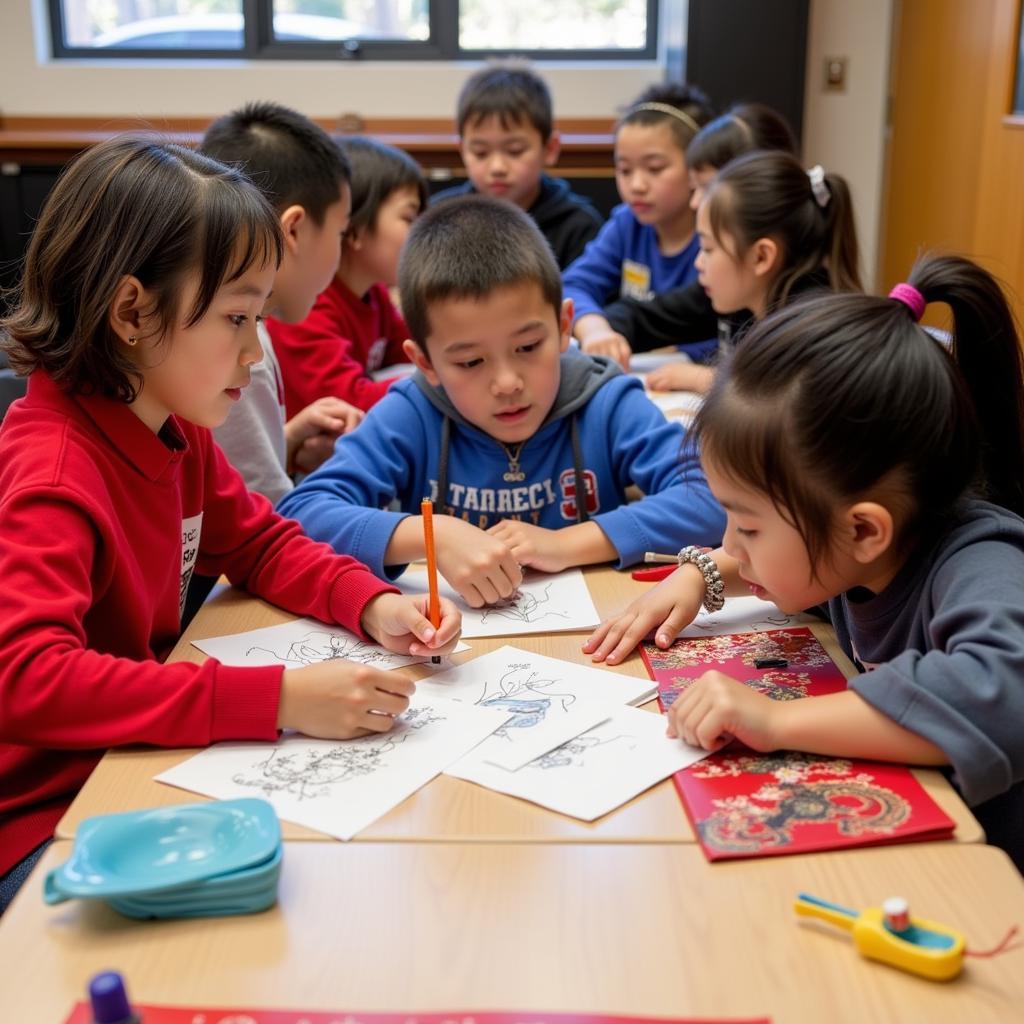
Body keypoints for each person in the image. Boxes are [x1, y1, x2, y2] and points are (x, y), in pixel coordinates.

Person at [0, 135, 461, 913]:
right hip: (51, 823)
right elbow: (26, 678)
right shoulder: (54, 472)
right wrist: (277, 699)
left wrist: (371, 601)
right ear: (132, 312)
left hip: (135, 767)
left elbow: (257, 540)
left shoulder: (172, 428)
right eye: (238, 318)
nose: (255, 353)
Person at [584, 254, 1024, 869]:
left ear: (864, 529)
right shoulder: (861, 550)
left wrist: (776, 721)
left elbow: (1001, 695)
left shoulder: (983, 564)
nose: (731, 544)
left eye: (750, 526)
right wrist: (703, 573)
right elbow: (799, 566)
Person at [278, 195, 725, 607]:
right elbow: (300, 515)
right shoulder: (412, 411)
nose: (507, 382)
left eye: (529, 347)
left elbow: (714, 497)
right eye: (471, 362)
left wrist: (568, 544)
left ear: (564, 325)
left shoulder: (605, 402)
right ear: (425, 362)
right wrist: (433, 537)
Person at [201, 102, 363, 504]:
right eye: (340, 234)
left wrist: (286, 441)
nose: (340, 252)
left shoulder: (227, 321)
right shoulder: (242, 349)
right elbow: (263, 520)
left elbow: (220, 477)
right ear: (294, 229)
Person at [614, 149, 860, 394]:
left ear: (761, 256)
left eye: (708, 248)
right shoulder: (738, 291)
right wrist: (599, 332)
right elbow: (645, 316)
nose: (698, 263)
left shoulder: (814, 329)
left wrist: (702, 378)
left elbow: (777, 400)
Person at [596, 102, 798, 373]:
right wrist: (595, 330)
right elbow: (651, 316)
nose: (695, 202)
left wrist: (701, 378)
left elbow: (778, 390)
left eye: (707, 188)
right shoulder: (731, 281)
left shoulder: (803, 318)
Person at [271, 136, 427, 417]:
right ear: (354, 228)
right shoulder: (306, 305)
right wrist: (447, 374)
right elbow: (349, 398)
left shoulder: (374, 293)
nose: (420, 233)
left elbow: (416, 349)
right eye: (409, 217)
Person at [563, 82, 713, 362]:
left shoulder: (718, 237)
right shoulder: (627, 223)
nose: (637, 185)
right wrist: (594, 329)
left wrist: (679, 353)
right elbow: (573, 285)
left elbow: (735, 331)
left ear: (697, 168)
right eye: (624, 170)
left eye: (655, 168)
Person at [432, 59, 604, 270]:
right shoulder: (439, 218)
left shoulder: (578, 227)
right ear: (462, 150)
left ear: (550, 149)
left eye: (515, 151)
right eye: (480, 153)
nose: (497, 167)